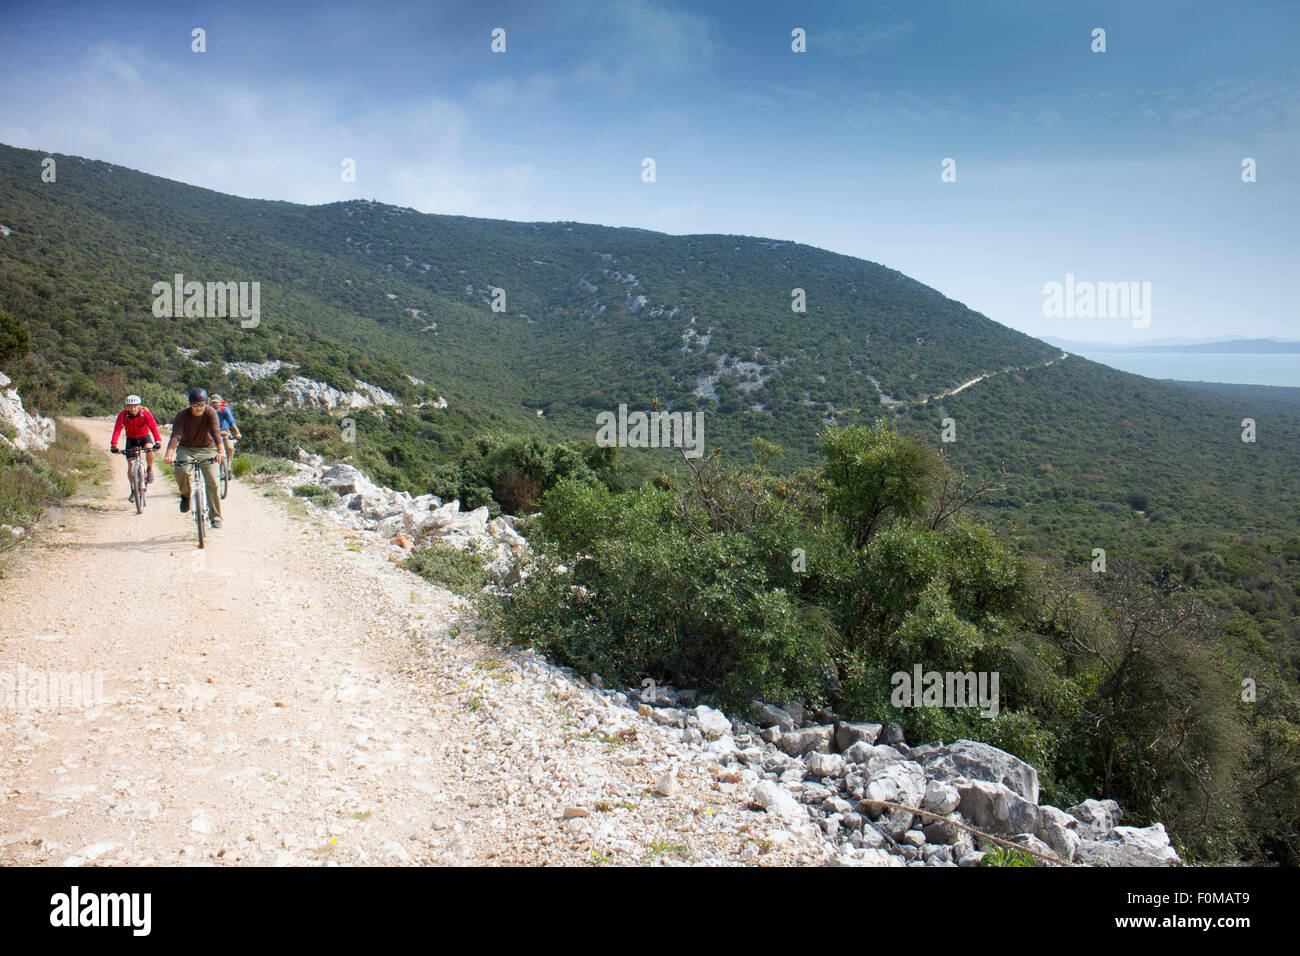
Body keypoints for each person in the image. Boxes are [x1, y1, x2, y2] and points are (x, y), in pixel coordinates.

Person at [163, 387, 225, 529]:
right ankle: (185, 495)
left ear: (206, 403)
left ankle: (215, 516)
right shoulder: (182, 415)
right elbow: (176, 436)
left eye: (202, 405)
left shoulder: (211, 413)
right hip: (186, 448)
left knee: (213, 482)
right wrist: (169, 455)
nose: (199, 408)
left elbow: (216, 434)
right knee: (181, 470)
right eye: (195, 405)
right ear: (190, 404)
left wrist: (221, 451)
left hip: (208, 449)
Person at [110, 394, 162, 484]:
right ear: (127, 407)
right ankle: (133, 490)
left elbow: (153, 428)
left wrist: (158, 441)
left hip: (144, 437)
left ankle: (149, 469)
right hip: (131, 439)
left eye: (135, 406)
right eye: (130, 406)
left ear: (139, 406)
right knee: (130, 465)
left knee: (149, 450)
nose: (133, 409)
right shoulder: (123, 415)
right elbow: (117, 430)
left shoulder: (145, 414)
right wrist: (114, 444)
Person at [211, 394, 242, 464]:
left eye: (217, 402)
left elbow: (231, 422)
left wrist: (237, 432)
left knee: (230, 448)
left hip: (223, 431)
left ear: (220, 403)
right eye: (213, 402)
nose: (215, 404)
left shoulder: (224, 410)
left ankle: (228, 468)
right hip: (212, 432)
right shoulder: (208, 410)